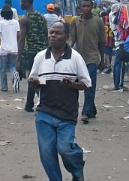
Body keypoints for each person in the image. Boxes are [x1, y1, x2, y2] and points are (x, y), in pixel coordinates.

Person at [29, 21, 91, 181]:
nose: (53, 36)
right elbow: (32, 78)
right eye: (51, 32)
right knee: (47, 153)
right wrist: (34, 82)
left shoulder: (75, 58)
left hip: (67, 113)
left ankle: (77, 170)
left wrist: (73, 84)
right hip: (45, 112)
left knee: (65, 149)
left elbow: (86, 83)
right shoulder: (41, 57)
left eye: (58, 33)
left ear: (67, 37)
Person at [69, 0, 105, 124]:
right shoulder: (75, 21)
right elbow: (72, 39)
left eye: (88, 6)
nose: (86, 8)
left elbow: (101, 41)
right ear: (80, 7)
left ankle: (85, 112)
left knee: (89, 84)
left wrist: (102, 59)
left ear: (92, 7)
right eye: (83, 6)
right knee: (80, 85)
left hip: (93, 57)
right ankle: (91, 109)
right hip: (79, 58)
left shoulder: (98, 22)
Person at [16, 0, 48, 112]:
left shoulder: (25, 19)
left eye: (21, 1)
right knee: (36, 77)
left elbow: (22, 39)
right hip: (44, 52)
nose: (20, 4)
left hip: (32, 53)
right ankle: (29, 104)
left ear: (27, 2)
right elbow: (46, 35)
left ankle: (44, 102)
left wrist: (18, 58)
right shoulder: (42, 17)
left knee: (32, 78)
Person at [0, 3, 20, 92]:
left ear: (2, 14)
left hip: (3, 49)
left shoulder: (0, 23)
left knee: (3, 69)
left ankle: (4, 87)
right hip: (14, 49)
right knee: (12, 66)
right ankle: (14, 74)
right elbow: (19, 36)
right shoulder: (16, 23)